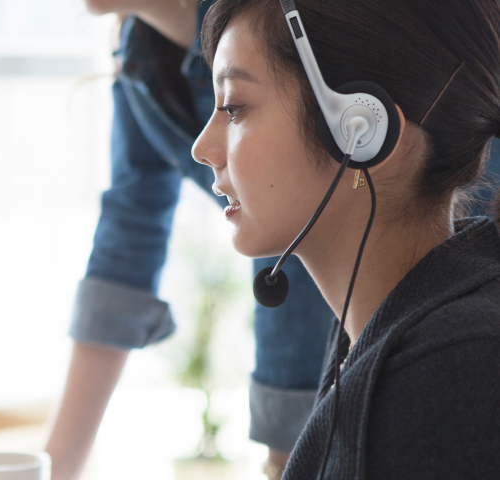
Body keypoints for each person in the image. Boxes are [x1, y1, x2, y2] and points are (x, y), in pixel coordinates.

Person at [192, 0, 500, 478]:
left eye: (234, 107)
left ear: (362, 131)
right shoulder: (389, 332)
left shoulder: (448, 371)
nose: (202, 148)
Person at [46, 1, 341, 479]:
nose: (204, 150)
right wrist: (53, 467)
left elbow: (296, 235)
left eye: (236, 109)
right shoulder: (138, 50)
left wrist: (287, 445)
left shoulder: (276, 28)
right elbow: (126, 239)